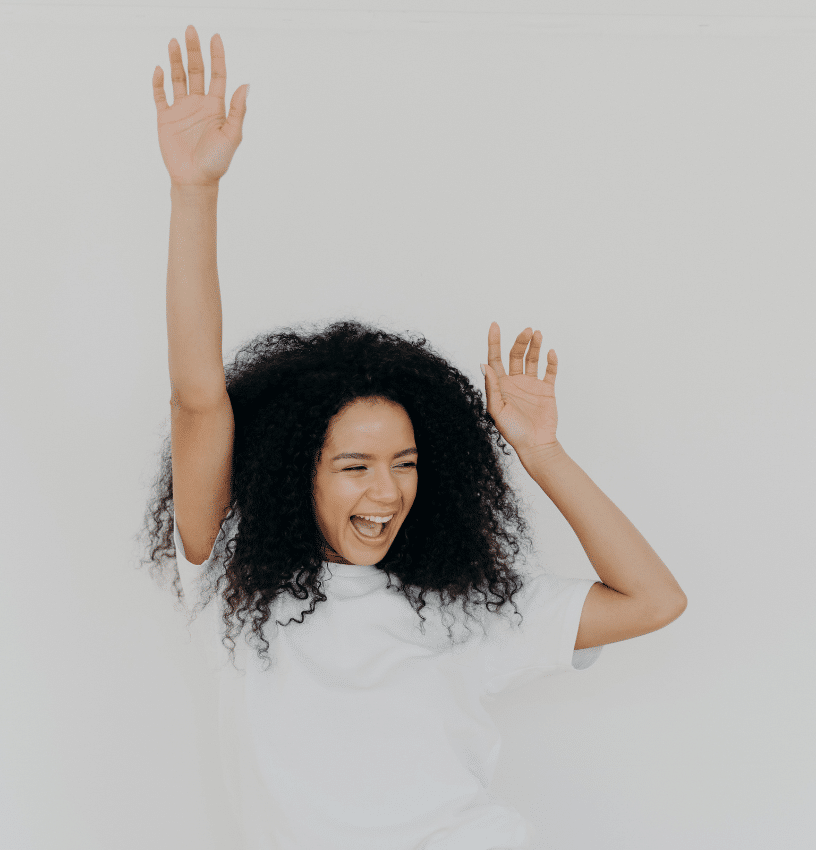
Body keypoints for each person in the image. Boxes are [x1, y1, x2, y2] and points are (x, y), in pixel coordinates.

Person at [140, 25, 688, 850]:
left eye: (405, 463)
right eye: (355, 465)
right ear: (298, 475)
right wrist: (195, 194)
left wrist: (541, 452)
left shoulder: (466, 607)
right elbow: (197, 400)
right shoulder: (230, 580)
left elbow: (654, 600)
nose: (387, 490)